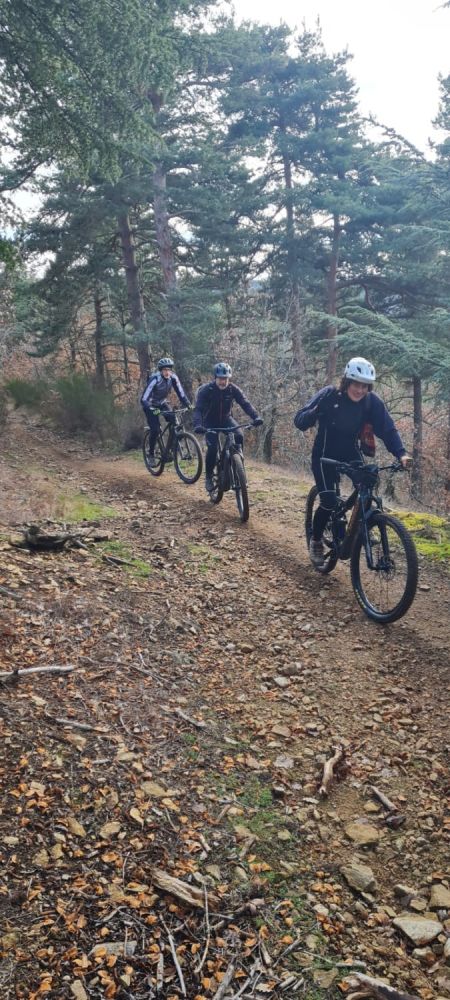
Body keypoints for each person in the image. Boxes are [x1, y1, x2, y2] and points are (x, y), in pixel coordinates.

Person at [294, 357, 412, 568]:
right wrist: (316, 411)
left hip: (350, 451)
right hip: (324, 454)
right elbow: (300, 420)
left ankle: (362, 525)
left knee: (368, 481)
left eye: (365, 386)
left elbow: (387, 429)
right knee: (329, 501)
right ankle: (316, 540)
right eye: (356, 384)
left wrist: (401, 453)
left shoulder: (371, 402)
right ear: (347, 381)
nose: (360, 390)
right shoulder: (330, 395)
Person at [193, 362, 263, 492]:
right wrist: (198, 424)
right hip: (210, 421)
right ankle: (209, 477)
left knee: (239, 435)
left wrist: (256, 417)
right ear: (215, 378)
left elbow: (245, 403)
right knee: (212, 448)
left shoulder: (232, 389)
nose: (223, 382)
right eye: (220, 378)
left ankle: (238, 467)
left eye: (225, 379)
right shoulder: (207, 390)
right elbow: (198, 409)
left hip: (226, 419)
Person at [140, 357, 191, 467]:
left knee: (175, 422)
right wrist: (151, 408)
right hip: (150, 406)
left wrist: (188, 404)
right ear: (161, 371)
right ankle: (151, 454)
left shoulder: (173, 378)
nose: (167, 372)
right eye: (164, 370)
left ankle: (171, 448)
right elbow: (144, 399)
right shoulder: (155, 379)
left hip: (162, 403)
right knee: (155, 429)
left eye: (169, 370)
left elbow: (181, 393)